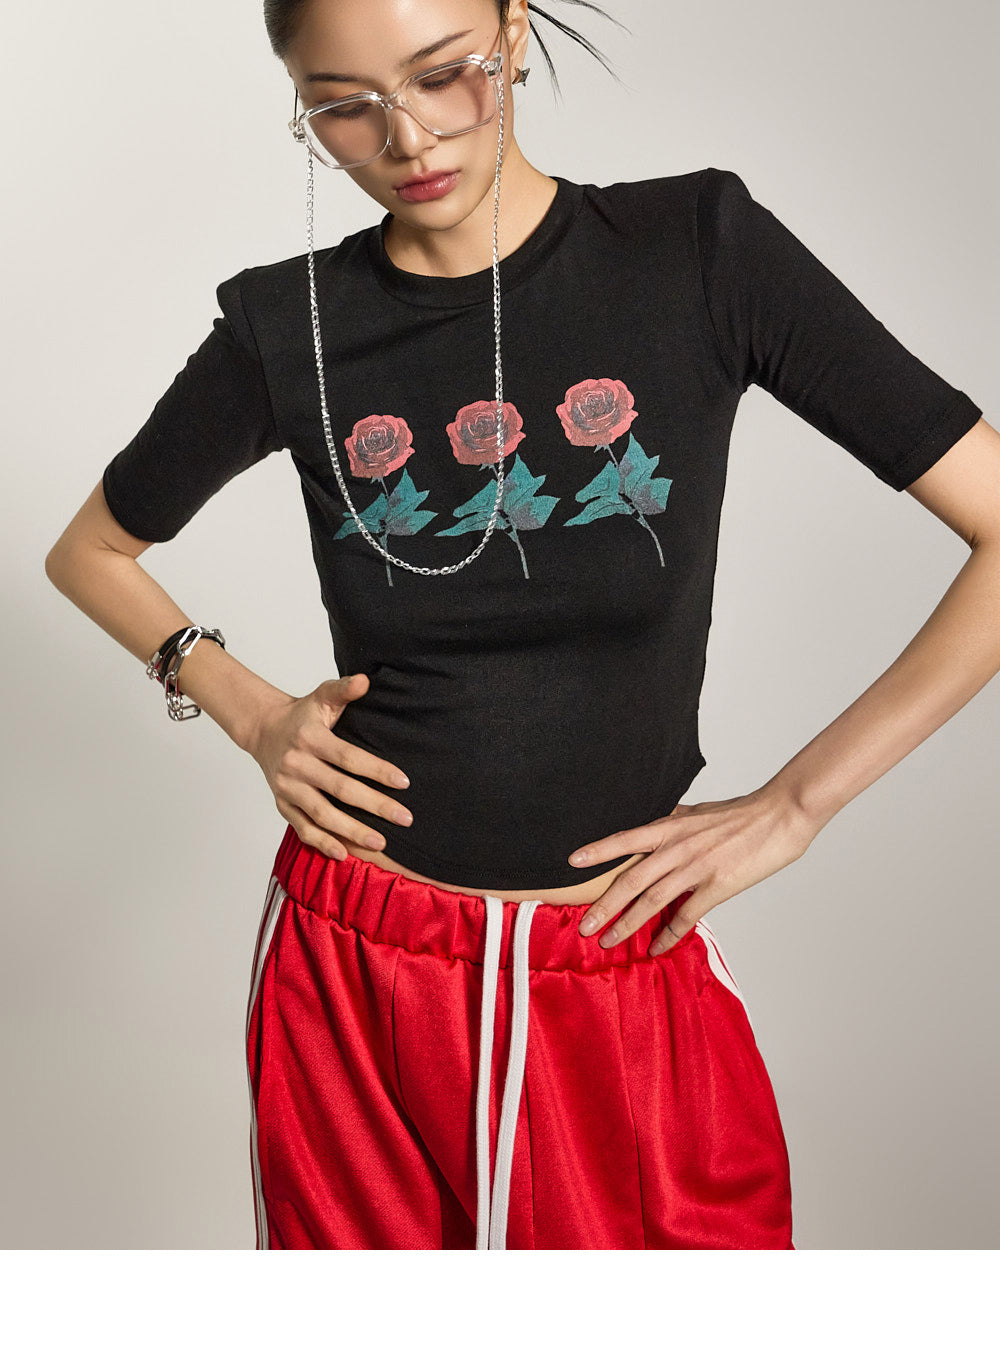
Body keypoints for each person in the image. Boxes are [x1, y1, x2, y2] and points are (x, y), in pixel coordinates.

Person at [45, 0, 997, 1251]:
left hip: (615, 960)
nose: (406, 138)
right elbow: (90, 551)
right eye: (341, 107)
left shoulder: (695, 251)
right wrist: (247, 708)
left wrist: (796, 805)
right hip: (360, 970)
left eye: (444, 75)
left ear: (513, 32)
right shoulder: (292, 328)